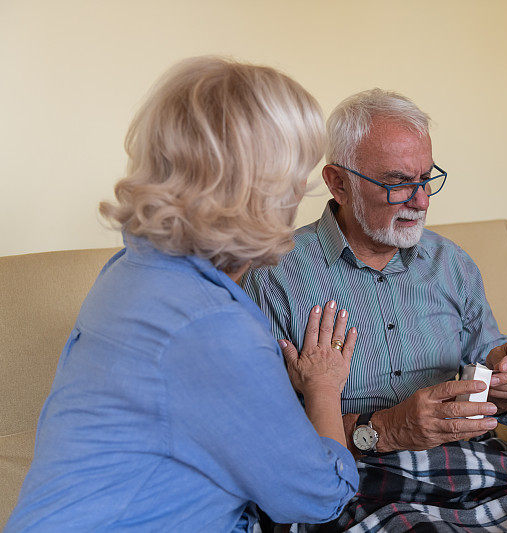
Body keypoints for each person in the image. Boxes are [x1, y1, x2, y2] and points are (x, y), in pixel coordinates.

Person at [6, 57, 359, 532]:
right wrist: (323, 387)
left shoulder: (134, 269)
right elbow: (316, 496)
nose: (304, 189)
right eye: (299, 175)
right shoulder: (209, 325)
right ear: (258, 189)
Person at [242, 89, 507, 531]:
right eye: (398, 183)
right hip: (357, 480)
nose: (421, 201)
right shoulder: (275, 276)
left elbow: (496, 387)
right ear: (338, 183)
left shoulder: (452, 264)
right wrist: (387, 428)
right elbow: (260, 437)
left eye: (427, 178)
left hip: (474, 466)